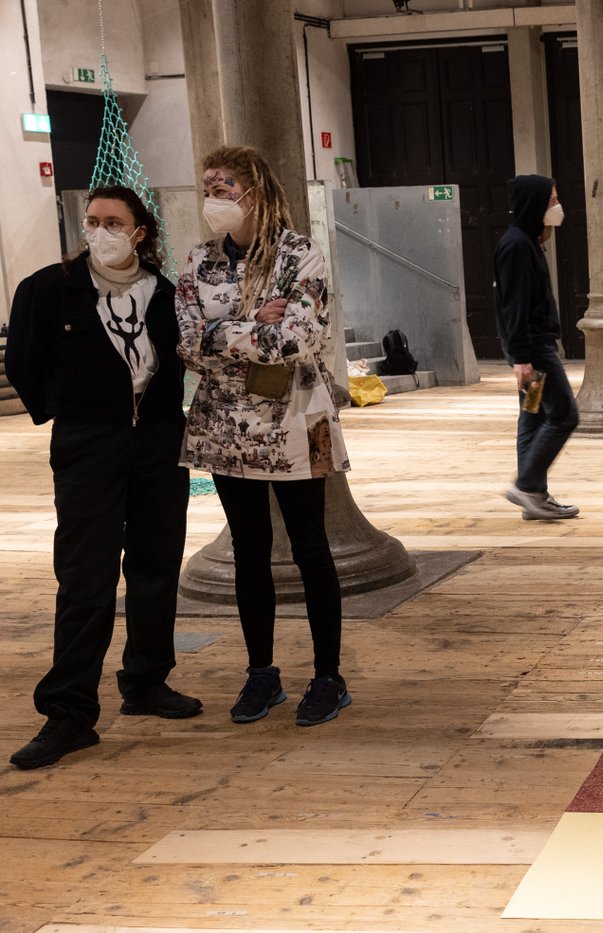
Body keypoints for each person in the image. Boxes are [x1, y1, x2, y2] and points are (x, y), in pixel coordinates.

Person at [5, 186, 200, 770]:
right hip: (88, 443)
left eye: (113, 221)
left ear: (140, 232)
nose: (100, 230)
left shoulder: (167, 294)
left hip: (159, 440)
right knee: (86, 573)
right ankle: (67, 713)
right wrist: (72, 409)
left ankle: (145, 681)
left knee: (156, 564)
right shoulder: (47, 289)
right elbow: (24, 364)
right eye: (92, 221)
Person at [176, 145, 351, 727]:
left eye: (224, 187)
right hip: (228, 427)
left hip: (298, 422)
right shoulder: (200, 262)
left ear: (254, 191)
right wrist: (251, 327)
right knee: (249, 551)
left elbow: (300, 339)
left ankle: (328, 677)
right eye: (207, 186)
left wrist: (221, 333)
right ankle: (261, 674)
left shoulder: (299, 255)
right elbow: (186, 342)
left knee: (309, 547)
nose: (213, 197)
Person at [493, 174, 580, 521]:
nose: (557, 205)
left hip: (531, 349)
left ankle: (534, 497)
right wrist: (522, 358)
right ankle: (527, 485)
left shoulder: (525, 241)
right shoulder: (516, 245)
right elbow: (513, 305)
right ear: (535, 202)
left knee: (532, 417)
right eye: (552, 199)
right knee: (564, 415)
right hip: (535, 351)